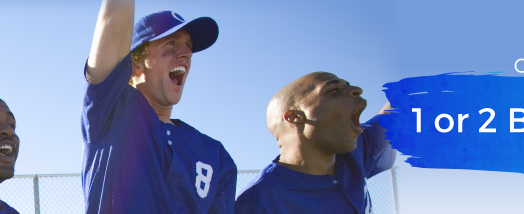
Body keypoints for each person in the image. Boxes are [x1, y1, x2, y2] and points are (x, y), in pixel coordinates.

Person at [80, 0, 236, 213]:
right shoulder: (112, 109)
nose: (187, 54)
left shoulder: (215, 154)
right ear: (135, 65)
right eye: (171, 43)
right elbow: (114, 22)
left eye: (188, 46)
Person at [235, 72, 397, 213]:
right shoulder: (259, 203)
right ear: (294, 117)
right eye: (333, 90)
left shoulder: (353, 152)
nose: (356, 90)